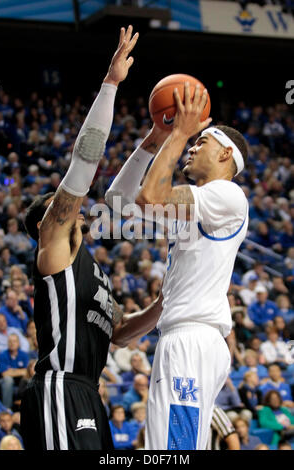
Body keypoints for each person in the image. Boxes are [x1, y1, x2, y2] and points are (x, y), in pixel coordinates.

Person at [20, 26, 163, 451]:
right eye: (60, 206)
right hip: (58, 388)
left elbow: (118, 331)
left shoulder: (93, 271)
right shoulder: (54, 250)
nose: (73, 206)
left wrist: (163, 305)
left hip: (89, 392)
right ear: (48, 222)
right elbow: (84, 162)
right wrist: (110, 85)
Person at [106, 82, 249, 450]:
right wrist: (156, 138)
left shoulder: (228, 195)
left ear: (225, 155)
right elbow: (119, 201)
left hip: (191, 341)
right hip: (190, 338)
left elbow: (151, 196)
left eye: (202, 142)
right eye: (193, 140)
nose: (192, 145)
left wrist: (180, 133)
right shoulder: (195, 209)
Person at [0, 333, 29, 408]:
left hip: (20, 382)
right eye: (10, 341)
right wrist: (20, 371)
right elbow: (4, 374)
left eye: (14, 341)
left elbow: (27, 372)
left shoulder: (24, 355)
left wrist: (12, 371)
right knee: (8, 379)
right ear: (7, 343)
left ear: (18, 343)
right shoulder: (1, 355)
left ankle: (27, 407)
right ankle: (7, 409)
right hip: (2, 382)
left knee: (28, 379)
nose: (12, 343)